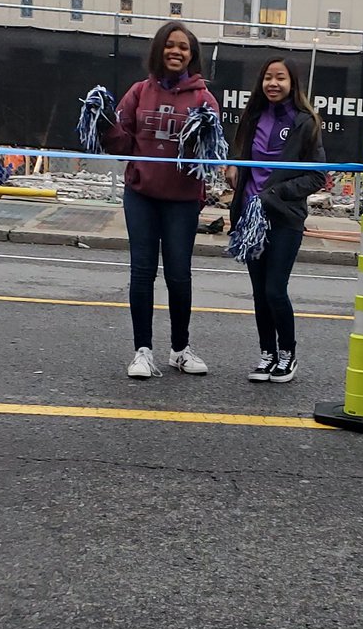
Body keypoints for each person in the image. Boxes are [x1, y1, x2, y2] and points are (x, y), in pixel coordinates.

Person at [102, 21, 219, 379]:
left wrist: (203, 139)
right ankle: (143, 351)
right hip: (141, 196)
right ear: (159, 49)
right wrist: (103, 122)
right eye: (170, 45)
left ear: (192, 55)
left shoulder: (204, 99)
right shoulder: (139, 91)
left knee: (179, 276)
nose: (176, 51)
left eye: (184, 47)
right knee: (142, 272)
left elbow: (211, 156)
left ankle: (180, 350)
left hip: (182, 201)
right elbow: (121, 145)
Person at [227, 58, 325, 384]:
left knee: (274, 290)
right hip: (249, 218)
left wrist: (277, 194)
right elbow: (242, 160)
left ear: (292, 83)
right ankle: (267, 354)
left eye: (280, 78)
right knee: (258, 292)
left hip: (284, 219)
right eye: (268, 77)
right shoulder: (253, 117)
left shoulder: (305, 122)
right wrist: (234, 173)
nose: (273, 83)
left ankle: (288, 354)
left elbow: (316, 178)